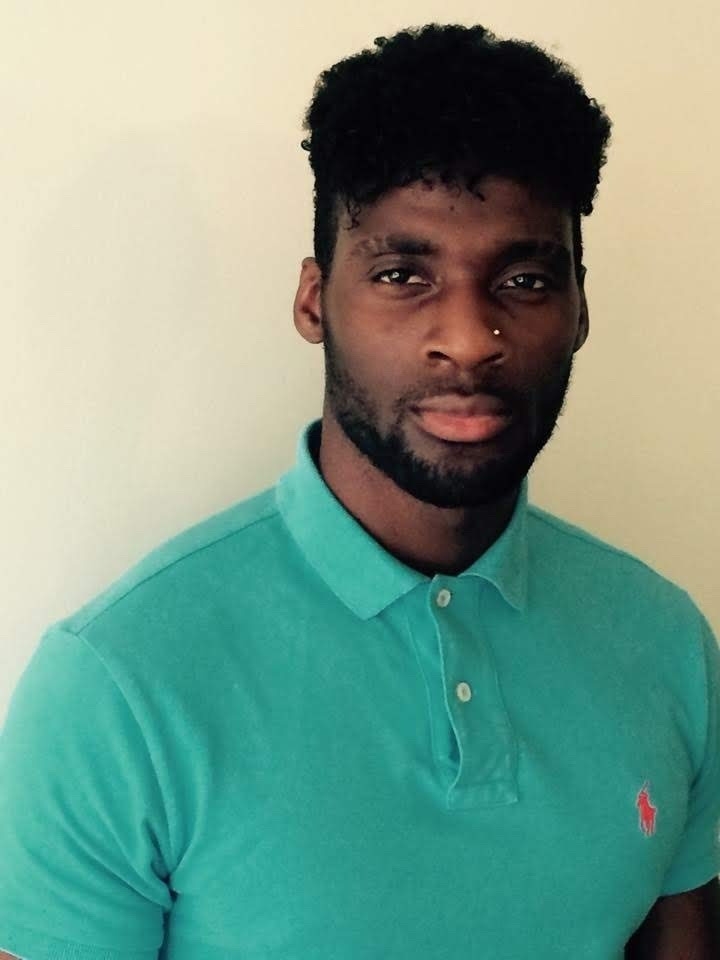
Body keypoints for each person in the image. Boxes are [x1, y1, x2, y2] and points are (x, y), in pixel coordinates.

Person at [0, 22, 718, 960]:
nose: (468, 339)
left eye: (524, 278)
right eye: (402, 275)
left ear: (579, 306)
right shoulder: (116, 685)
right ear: (314, 300)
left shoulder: (664, 640)